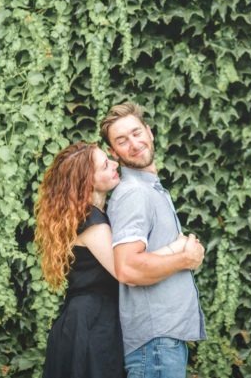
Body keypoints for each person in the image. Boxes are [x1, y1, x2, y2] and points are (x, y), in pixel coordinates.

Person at [34, 141, 190, 378]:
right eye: (106, 165)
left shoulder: (92, 216)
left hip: (89, 319)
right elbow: (124, 268)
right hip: (91, 324)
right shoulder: (91, 221)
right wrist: (176, 250)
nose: (115, 164)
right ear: (89, 181)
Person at [100, 102, 207, 378]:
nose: (134, 144)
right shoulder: (134, 193)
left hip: (162, 341)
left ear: (149, 132)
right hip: (155, 343)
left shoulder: (151, 189)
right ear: (114, 152)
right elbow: (128, 268)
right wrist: (185, 258)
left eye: (136, 133)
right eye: (122, 141)